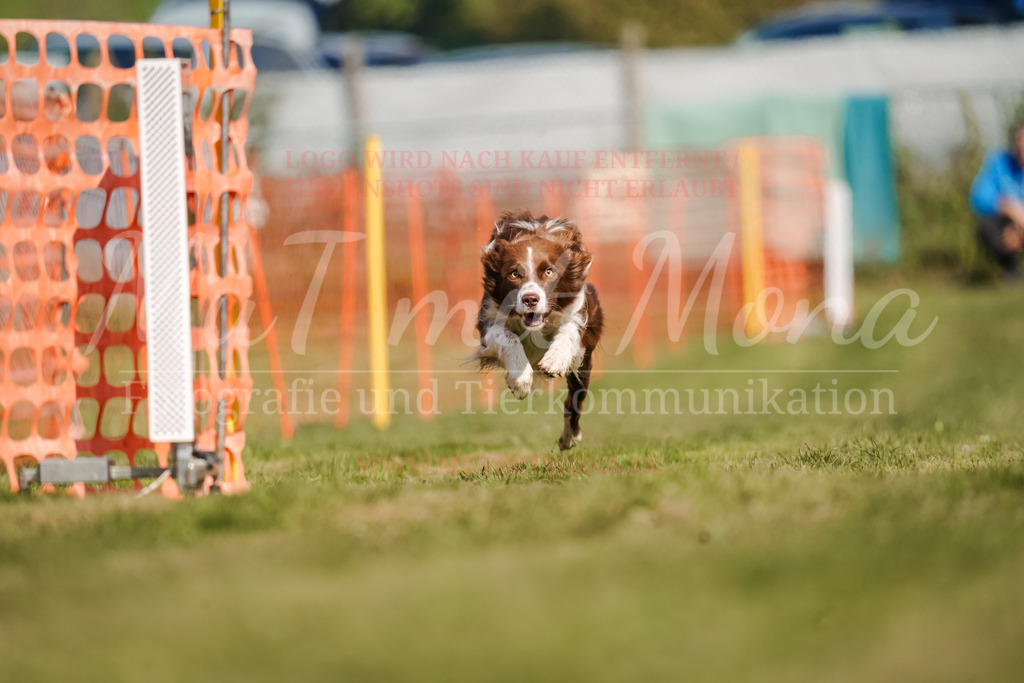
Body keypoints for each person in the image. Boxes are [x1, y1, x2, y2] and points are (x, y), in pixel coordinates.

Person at [970, 119, 1024, 279]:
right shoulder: (999, 162)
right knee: (986, 223)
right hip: (1009, 225)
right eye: (1020, 141)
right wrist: (1009, 207)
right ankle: (1010, 270)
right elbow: (979, 197)